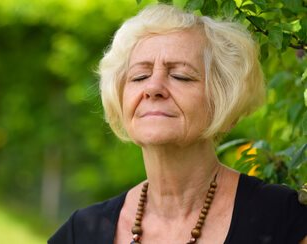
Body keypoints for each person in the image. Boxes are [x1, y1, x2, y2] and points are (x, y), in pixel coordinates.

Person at [48, 3, 307, 244]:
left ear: (223, 100)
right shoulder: (81, 233)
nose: (153, 88)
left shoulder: (283, 221)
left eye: (180, 76)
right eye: (139, 76)